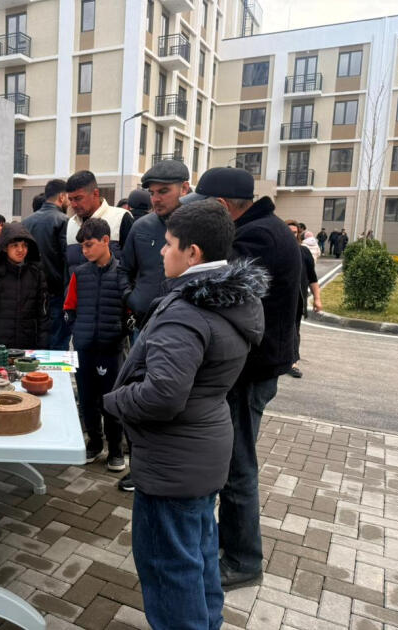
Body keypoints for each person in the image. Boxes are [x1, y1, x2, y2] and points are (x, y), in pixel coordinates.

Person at [103, 200, 266, 630]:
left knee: (168, 569)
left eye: (169, 244)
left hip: (173, 461)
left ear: (193, 253)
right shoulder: (230, 299)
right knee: (196, 558)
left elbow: (162, 395)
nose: (161, 251)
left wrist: (114, 401)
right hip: (201, 451)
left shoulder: (188, 311)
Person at [180, 167, 301, 588]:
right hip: (262, 363)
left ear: (221, 206)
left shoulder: (255, 237)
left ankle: (244, 561)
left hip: (251, 370)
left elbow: (221, 293)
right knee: (234, 462)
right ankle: (230, 544)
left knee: (236, 467)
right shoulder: (266, 227)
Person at [116, 160, 191, 492]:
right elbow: (123, 269)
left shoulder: (197, 226)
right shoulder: (141, 227)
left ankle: (172, 469)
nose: (157, 198)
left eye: (165, 191)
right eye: (152, 192)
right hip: (143, 326)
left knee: (176, 400)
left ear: (185, 189)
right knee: (141, 396)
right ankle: (140, 466)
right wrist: (131, 299)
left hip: (185, 328)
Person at [64, 218, 129, 472]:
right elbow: (69, 308)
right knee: (88, 400)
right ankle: (93, 443)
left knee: (111, 400)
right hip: (84, 350)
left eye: (89, 245)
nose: (85, 251)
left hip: (111, 351)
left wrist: (119, 332)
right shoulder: (79, 274)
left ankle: (115, 449)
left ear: (105, 241)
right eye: (82, 246)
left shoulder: (122, 272)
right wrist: (78, 332)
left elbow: (129, 309)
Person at [0, 222, 49, 349]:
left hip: (29, 342)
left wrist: (43, 343)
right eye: (15, 245)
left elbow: (43, 313)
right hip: (0, 343)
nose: (20, 250)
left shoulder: (36, 274)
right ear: (5, 247)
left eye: (24, 245)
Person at [23, 179, 71, 350]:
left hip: (31, 291)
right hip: (57, 292)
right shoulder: (64, 220)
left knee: (36, 342)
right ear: (62, 197)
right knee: (58, 343)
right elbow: (68, 258)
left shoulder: (26, 222)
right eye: (68, 198)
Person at [65, 170, 134, 279]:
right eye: (70, 199)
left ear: (95, 194)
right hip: (77, 294)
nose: (73, 204)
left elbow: (132, 265)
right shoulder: (70, 223)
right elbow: (68, 267)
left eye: (78, 198)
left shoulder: (121, 218)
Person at [285, 221, 322, 379]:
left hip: (297, 299)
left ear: (298, 234)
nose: (292, 235)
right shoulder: (277, 250)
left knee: (294, 330)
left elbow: (312, 278)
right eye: (289, 231)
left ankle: (292, 362)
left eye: (295, 232)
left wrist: (317, 299)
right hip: (278, 300)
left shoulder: (304, 252)